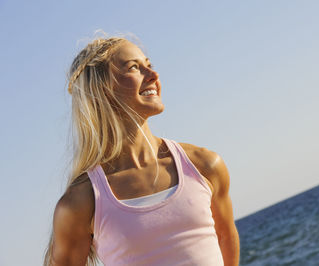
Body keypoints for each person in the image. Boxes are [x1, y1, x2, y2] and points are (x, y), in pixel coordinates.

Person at [44, 36, 240, 266]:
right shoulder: (81, 202)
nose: (153, 75)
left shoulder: (204, 165)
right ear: (102, 90)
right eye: (135, 68)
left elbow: (225, 237)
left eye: (150, 65)